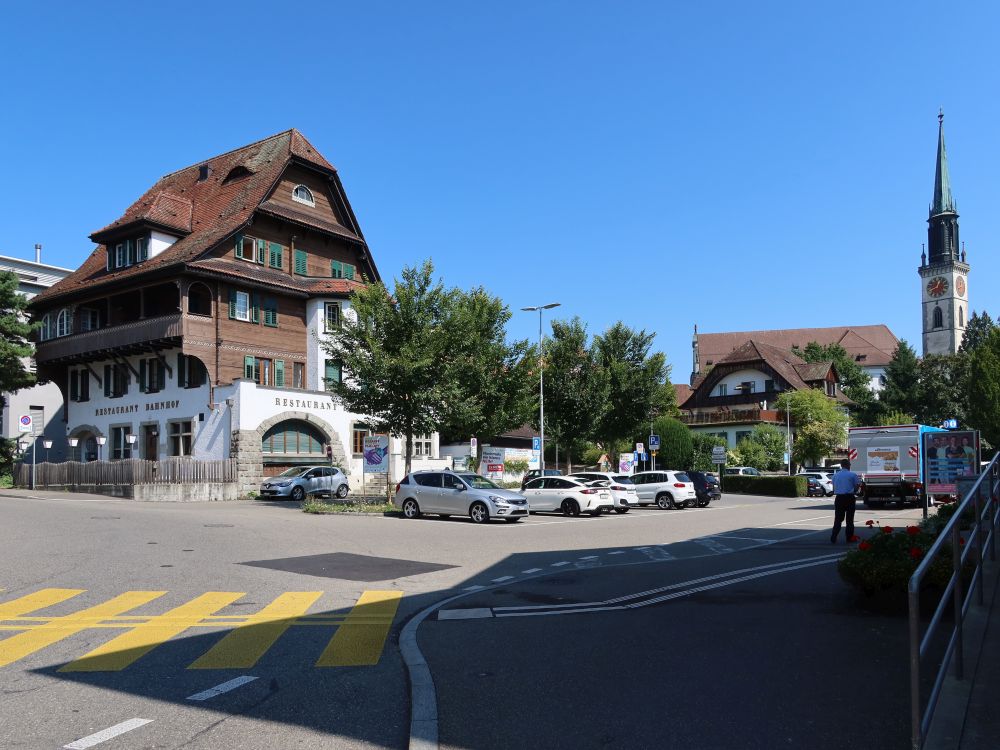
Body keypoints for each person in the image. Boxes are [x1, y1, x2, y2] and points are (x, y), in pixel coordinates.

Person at [831, 458, 861, 544]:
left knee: (838, 519)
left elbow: (834, 486)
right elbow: (856, 486)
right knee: (849, 520)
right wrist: (856, 490)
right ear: (848, 465)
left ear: (841, 465)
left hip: (839, 498)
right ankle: (849, 537)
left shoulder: (835, 475)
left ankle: (834, 536)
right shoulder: (852, 475)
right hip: (849, 497)